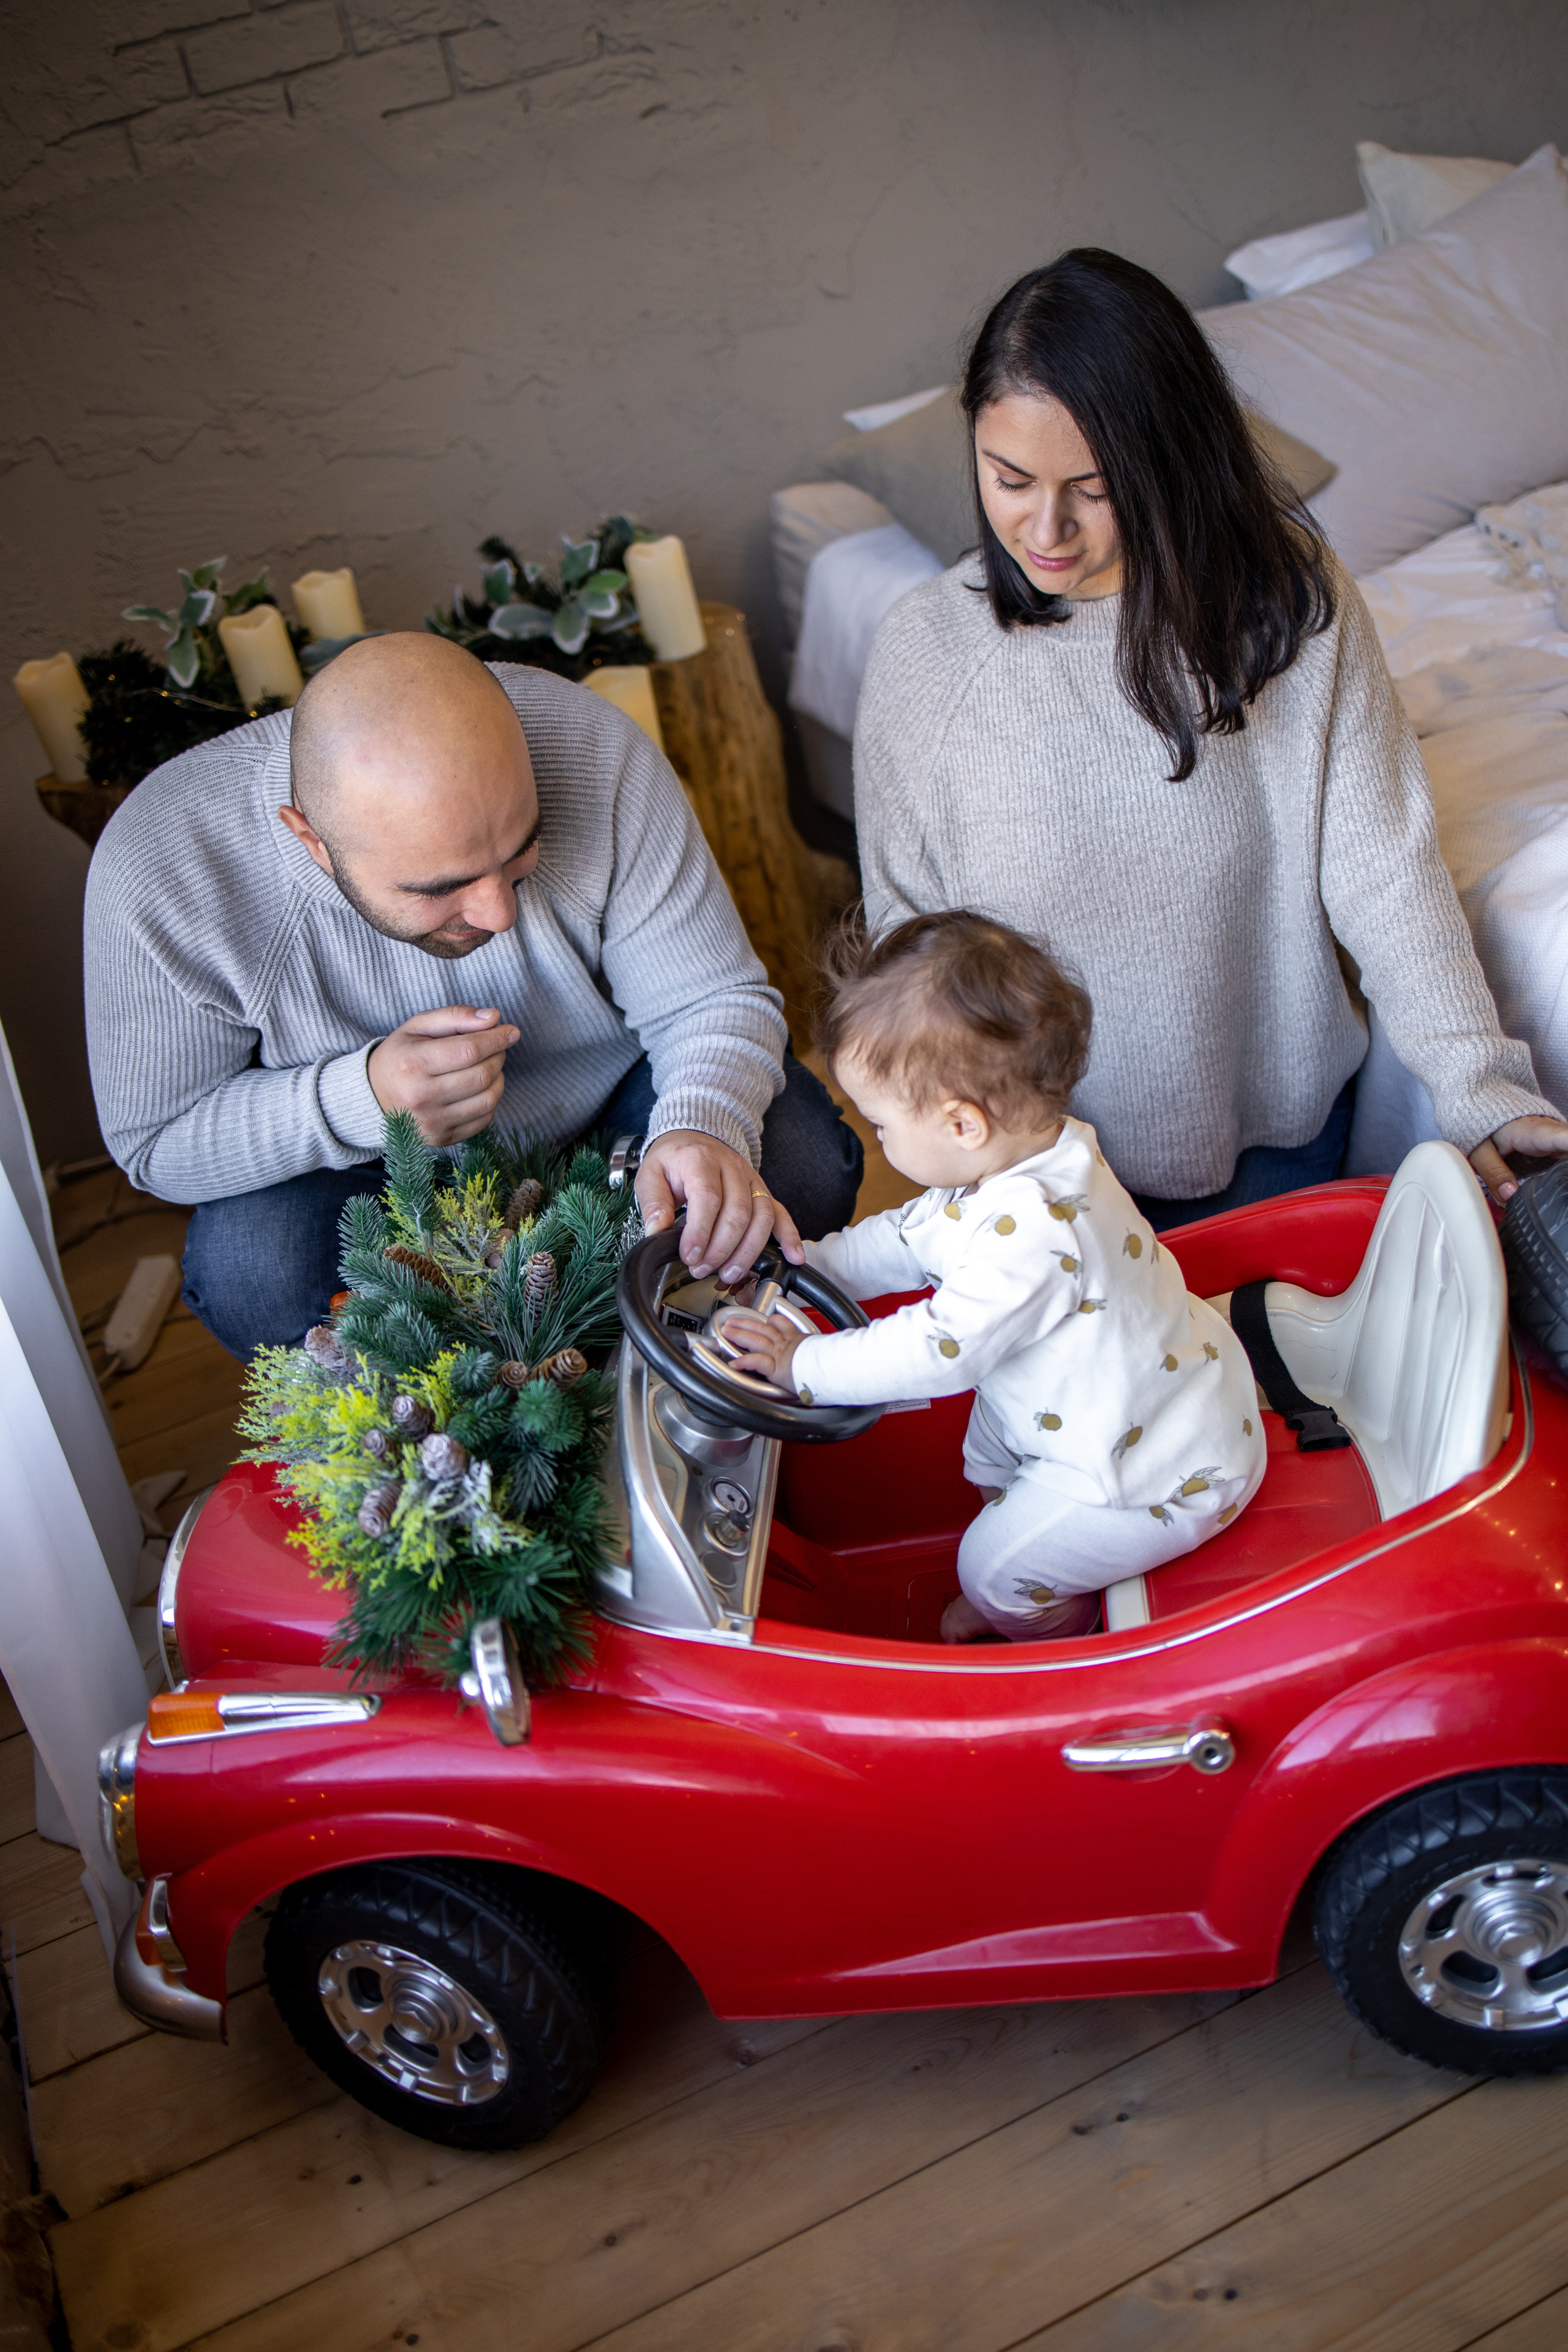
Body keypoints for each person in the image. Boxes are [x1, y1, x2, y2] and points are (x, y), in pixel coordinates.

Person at [853, 249, 1568, 1226]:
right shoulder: (925, 653)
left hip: (1283, 1144)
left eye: (1096, 489)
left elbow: (1385, 870)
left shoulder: (1287, 604)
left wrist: (1479, 1082)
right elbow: (909, 943)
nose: (1047, 528)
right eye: (1009, 478)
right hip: (1038, 1182)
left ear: (1171, 462)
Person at [85, 633, 861, 1358]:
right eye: (441, 887)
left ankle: (613, 1351)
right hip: (362, 1174)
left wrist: (700, 1125)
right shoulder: (164, 865)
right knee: (252, 1274)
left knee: (799, 1162)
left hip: (610, 1113)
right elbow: (157, 1141)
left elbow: (712, 997)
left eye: (521, 853)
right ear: (310, 842)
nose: (499, 914)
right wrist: (362, 1100)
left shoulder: (590, 745)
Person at [724, 911, 1265, 1642]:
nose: (877, 1140)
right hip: (1113, 1397)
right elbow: (908, 1239)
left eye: (880, 1124)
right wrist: (805, 1267)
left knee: (986, 1567)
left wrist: (804, 1365)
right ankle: (1036, 1557)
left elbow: (938, 1349)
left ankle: (1058, 1632)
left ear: (961, 1126)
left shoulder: (1036, 1233)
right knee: (981, 1455)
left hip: (1151, 1470)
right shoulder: (1023, 1159)